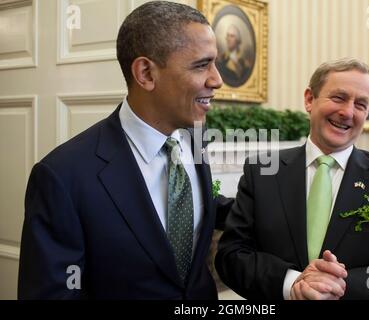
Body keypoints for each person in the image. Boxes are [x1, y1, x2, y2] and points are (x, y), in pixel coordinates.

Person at [18, 1, 233, 299]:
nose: (217, 80)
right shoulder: (61, 177)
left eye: (215, 63)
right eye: (201, 65)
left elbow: (200, 205)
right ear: (145, 73)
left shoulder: (194, 138)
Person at [215, 58, 369, 300]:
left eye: (361, 104)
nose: (348, 112)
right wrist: (292, 282)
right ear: (309, 99)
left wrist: (341, 285)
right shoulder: (261, 172)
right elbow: (232, 256)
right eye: (339, 98)